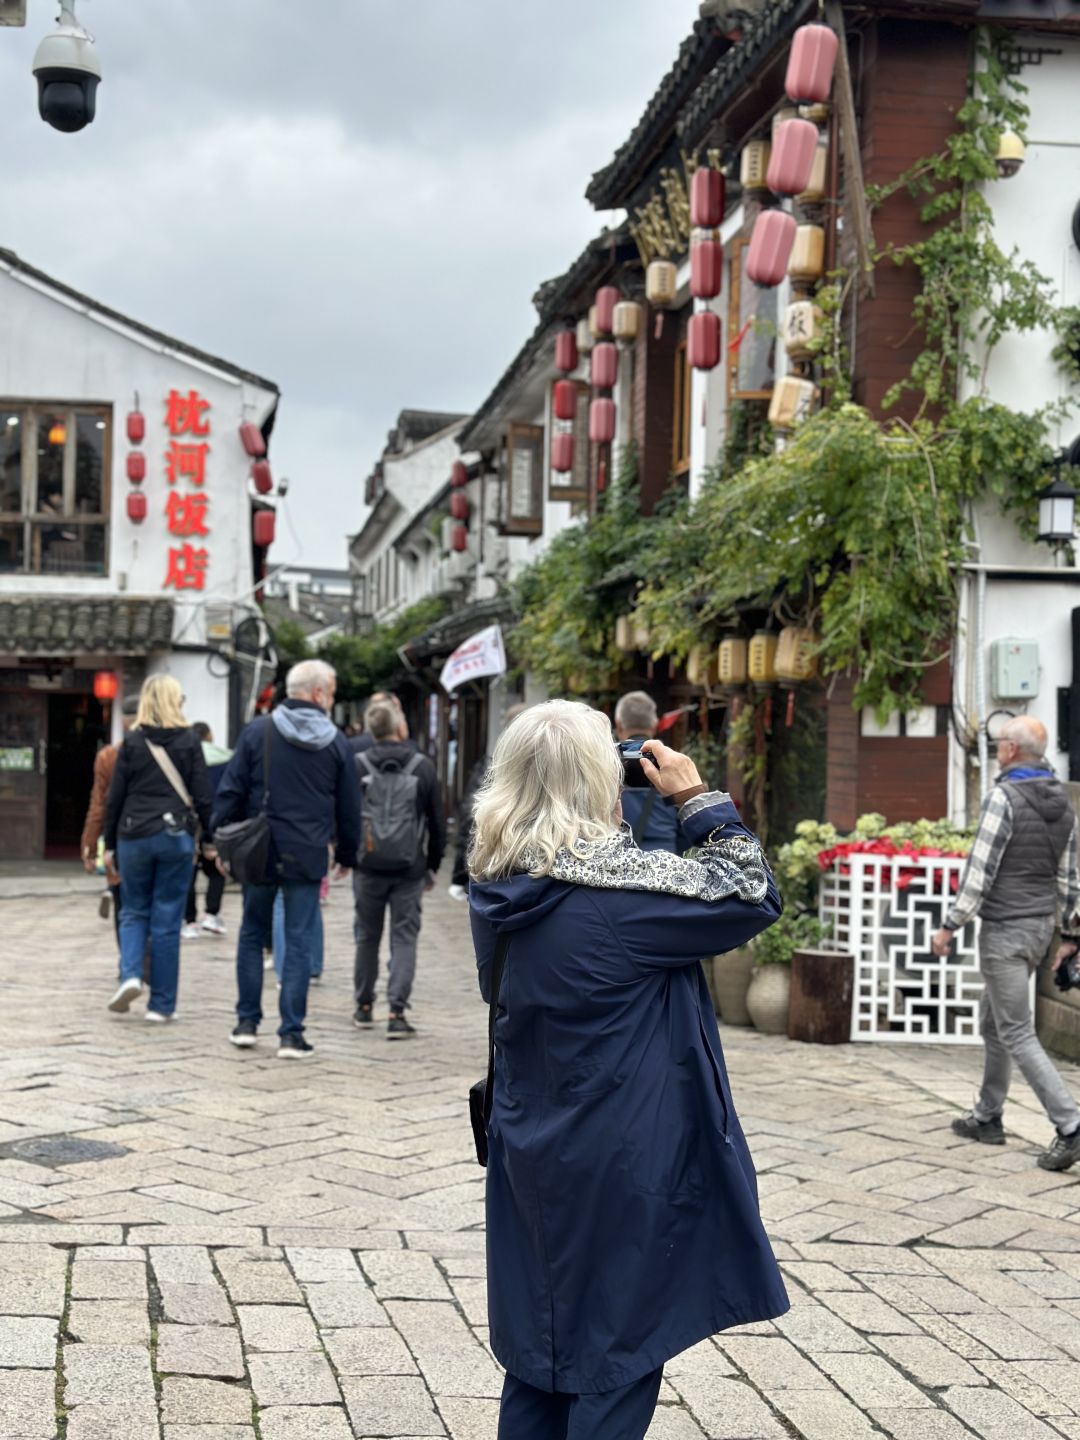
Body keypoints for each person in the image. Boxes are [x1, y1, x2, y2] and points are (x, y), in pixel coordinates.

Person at [468, 700, 787, 1439]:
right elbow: (750, 890)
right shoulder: (625, 901)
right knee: (616, 1358)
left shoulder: (500, 886)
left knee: (541, 1359)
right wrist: (694, 798)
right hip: (623, 1159)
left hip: (534, 1148)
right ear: (598, 786)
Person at [932, 715, 1080, 1171]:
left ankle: (1070, 1126)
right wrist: (1071, 935)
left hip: (1005, 931)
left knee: (1015, 1030)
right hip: (1037, 931)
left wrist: (950, 924)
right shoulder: (1065, 803)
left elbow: (981, 871)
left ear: (1012, 751)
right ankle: (988, 1116)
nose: (996, 750)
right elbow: (1069, 876)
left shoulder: (1003, 798)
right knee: (994, 1022)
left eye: (999, 744)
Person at [214, 659, 361, 1059]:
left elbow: (230, 789)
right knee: (297, 941)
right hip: (308, 852)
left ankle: (246, 1023)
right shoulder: (335, 741)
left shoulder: (258, 731)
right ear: (316, 693)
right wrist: (347, 853)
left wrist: (220, 841)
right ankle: (291, 1034)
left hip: (259, 850)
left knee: (250, 933)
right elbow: (349, 806)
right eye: (330, 692)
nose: (331, 700)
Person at [103, 675, 214, 1022]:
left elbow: (114, 797)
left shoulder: (133, 742)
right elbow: (204, 795)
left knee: (134, 911)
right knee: (167, 919)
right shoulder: (190, 741)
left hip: (133, 834)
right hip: (175, 836)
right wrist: (209, 838)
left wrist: (108, 843)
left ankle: (132, 974)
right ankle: (162, 1005)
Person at [352, 697, 445, 1038]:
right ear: (398, 727)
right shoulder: (422, 766)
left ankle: (363, 1007)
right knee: (404, 938)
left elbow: (348, 815)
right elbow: (436, 821)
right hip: (409, 869)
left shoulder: (358, 764)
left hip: (368, 865)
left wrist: (350, 856)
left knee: (366, 937)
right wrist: (431, 865)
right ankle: (396, 1012)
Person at [450, 703, 529, 897]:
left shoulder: (493, 769)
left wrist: (460, 874)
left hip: (498, 870)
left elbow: (471, 818)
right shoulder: (555, 772)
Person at [80, 693, 140, 952]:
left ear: (123, 722)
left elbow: (99, 806)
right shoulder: (176, 748)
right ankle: (148, 964)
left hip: (120, 836)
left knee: (123, 905)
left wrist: (90, 846)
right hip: (159, 833)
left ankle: (128, 965)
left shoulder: (109, 756)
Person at [614, 690, 685, 853]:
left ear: (618, 724)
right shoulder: (673, 764)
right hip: (666, 865)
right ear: (654, 725)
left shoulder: (603, 764)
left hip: (615, 867)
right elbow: (688, 826)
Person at [181, 722, 233, 940]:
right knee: (217, 870)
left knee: (189, 874)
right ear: (208, 735)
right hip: (216, 820)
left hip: (189, 822)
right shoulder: (226, 758)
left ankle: (190, 920)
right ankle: (212, 913)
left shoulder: (184, 759)